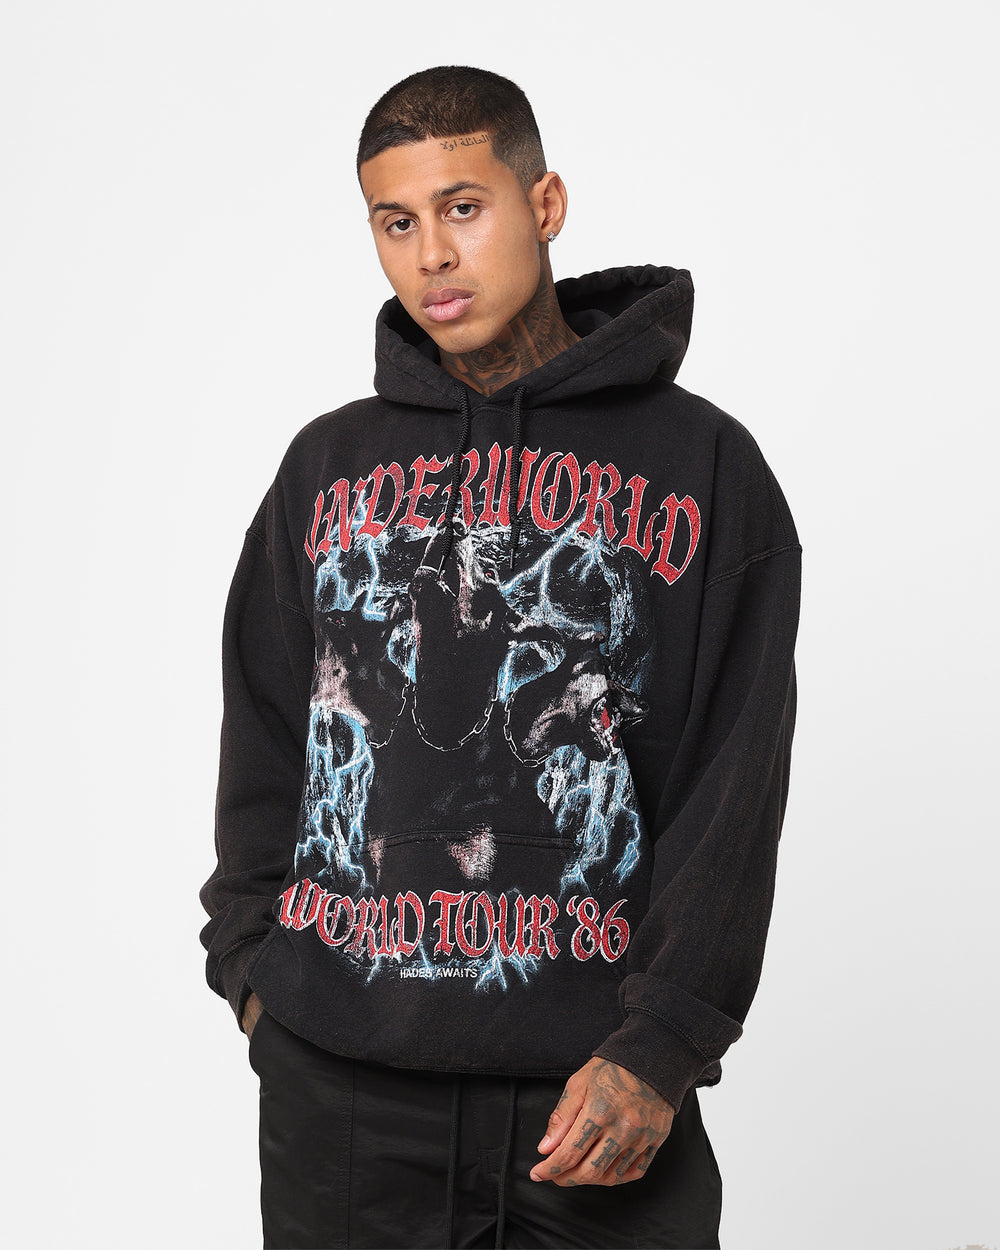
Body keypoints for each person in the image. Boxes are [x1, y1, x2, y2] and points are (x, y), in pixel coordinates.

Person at [200, 64, 800, 1250]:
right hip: (344, 1090)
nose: (432, 253)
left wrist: (660, 1046)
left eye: (463, 207)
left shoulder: (703, 466)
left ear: (545, 203)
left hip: (592, 1088)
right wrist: (255, 971)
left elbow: (732, 783)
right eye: (395, 222)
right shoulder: (326, 466)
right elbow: (269, 726)